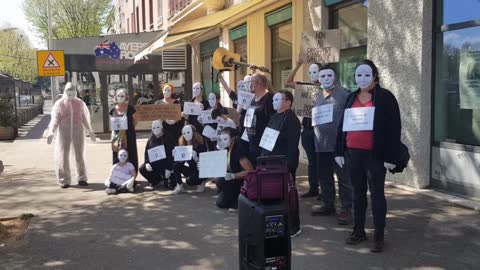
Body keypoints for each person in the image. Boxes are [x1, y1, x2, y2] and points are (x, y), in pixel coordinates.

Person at [335, 60, 401, 253]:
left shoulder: (385, 97)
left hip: (375, 155)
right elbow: (342, 125)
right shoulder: (351, 97)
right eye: (358, 75)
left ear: (374, 76)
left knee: (377, 194)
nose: (362, 79)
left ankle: (379, 234)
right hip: (352, 153)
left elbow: (394, 128)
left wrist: (391, 156)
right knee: (358, 193)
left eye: (366, 75)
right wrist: (339, 150)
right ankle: (358, 230)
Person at [310, 64, 353, 226]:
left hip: (339, 147)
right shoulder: (317, 95)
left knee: (344, 178)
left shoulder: (345, 95)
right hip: (321, 144)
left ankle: (347, 208)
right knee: (324, 177)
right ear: (319, 79)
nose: (326, 79)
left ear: (334, 77)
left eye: (329, 76)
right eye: (323, 76)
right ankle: (328, 204)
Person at [261, 90, 301, 236]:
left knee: (288, 195)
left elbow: (292, 144)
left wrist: (289, 165)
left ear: (288, 102)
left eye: (278, 99)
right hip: (271, 161)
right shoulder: (274, 116)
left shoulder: (292, 120)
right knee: (276, 194)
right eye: (273, 100)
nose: (274, 102)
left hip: (284, 163)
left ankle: (293, 226)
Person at [47, 82, 96, 188]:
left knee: (79, 154)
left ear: (76, 93)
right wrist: (51, 131)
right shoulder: (60, 103)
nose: (71, 96)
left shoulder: (79, 103)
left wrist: (90, 131)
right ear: (65, 92)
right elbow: (55, 119)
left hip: (77, 129)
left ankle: (82, 177)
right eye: (69, 94)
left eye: (73, 94)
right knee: (63, 155)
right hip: (64, 130)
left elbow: (84, 118)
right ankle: (64, 179)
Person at [285, 59, 321, 199]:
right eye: (310, 72)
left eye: (315, 72)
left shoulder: (327, 88)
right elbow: (288, 82)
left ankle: (325, 191)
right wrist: (298, 65)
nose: (313, 75)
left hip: (322, 130)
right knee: (312, 161)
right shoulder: (305, 87)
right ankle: (314, 188)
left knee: (322, 162)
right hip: (307, 129)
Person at [215, 127, 254, 211]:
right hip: (231, 181)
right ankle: (230, 197)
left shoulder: (239, 152)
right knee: (220, 203)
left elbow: (250, 170)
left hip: (241, 182)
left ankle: (237, 202)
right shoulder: (225, 150)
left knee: (221, 181)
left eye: (225, 138)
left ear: (233, 138)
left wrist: (234, 176)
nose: (223, 141)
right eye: (222, 138)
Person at [245, 73, 275, 166]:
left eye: (252, 82)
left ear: (260, 84)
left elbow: (273, 122)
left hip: (263, 144)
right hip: (252, 142)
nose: (250, 84)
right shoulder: (253, 99)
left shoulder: (269, 99)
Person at [171, 125, 207, 194]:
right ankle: (180, 186)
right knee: (176, 166)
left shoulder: (200, 145)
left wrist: (197, 158)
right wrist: (177, 156)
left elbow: (205, 162)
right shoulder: (184, 146)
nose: (186, 135)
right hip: (192, 170)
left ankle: (201, 182)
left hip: (200, 170)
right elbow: (181, 163)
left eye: (188, 132)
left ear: (193, 133)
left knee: (189, 181)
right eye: (184, 133)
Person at [110, 89, 139, 173]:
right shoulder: (112, 110)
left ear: (126, 97)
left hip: (129, 135)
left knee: (131, 154)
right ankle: (117, 174)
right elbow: (112, 123)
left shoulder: (130, 108)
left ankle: (132, 174)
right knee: (117, 154)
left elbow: (136, 120)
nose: (120, 98)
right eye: (118, 96)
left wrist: (129, 128)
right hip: (117, 136)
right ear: (115, 97)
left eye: (122, 96)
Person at [139, 120, 174, 188]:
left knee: (169, 185)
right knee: (142, 168)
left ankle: (166, 179)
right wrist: (147, 163)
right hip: (154, 164)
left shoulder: (168, 138)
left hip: (165, 164)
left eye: (158, 127)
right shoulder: (150, 140)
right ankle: (156, 180)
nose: (156, 129)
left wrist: (169, 168)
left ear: (162, 127)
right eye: (154, 128)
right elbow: (146, 152)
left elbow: (171, 155)